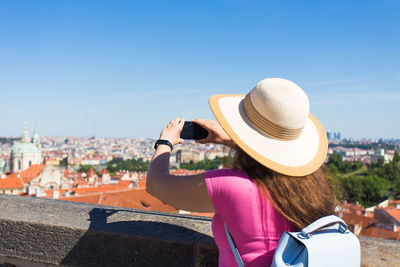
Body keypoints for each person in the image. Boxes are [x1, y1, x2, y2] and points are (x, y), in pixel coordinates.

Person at [146, 78, 337, 267]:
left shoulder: (234, 186)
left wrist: (165, 142)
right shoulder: (313, 184)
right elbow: (271, 161)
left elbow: (156, 184)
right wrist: (234, 141)